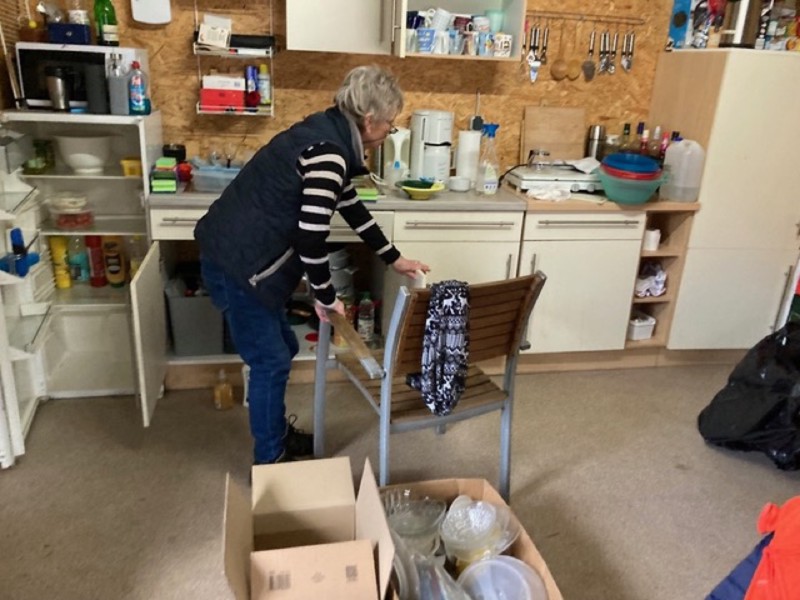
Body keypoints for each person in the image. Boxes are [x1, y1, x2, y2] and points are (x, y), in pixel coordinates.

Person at [195, 65, 430, 465]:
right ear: (369, 119)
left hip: (240, 256)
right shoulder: (329, 153)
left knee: (282, 348)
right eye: (389, 124)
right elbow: (310, 235)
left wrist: (394, 259)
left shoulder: (326, 132)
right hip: (238, 264)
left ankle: (275, 435)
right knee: (270, 360)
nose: (389, 132)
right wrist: (325, 295)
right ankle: (271, 459)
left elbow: (351, 206)